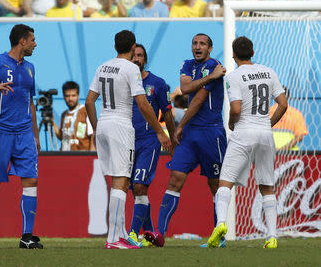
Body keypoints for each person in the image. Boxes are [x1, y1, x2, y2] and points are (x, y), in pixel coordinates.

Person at [85, 30, 172, 249]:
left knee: (118, 180)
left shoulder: (103, 66)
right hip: (121, 126)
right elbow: (143, 104)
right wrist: (160, 131)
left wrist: (96, 129)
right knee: (122, 182)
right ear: (133, 47)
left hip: (104, 124)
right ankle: (114, 238)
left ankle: (121, 233)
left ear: (115, 46)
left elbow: (89, 102)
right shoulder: (131, 68)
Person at [143, 33, 227, 247]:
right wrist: (210, 77)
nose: (197, 47)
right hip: (190, 134)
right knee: (175, 179)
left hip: (211, 132)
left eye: (202, 44)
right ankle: (159, 234)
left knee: (215, 185)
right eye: (195, 43)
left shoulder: (214, 63)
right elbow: (187, 88)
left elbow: (198, 99)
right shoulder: (188, 65)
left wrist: (180, 126)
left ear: (210, 48)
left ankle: (219, 237)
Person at [206, 36, 288, 249]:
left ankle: (221, 224)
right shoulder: (269, 71)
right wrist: (269, 123)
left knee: (225, 183)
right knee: (267, 186)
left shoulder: (234, 76)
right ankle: (271, 237)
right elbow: (283, 104)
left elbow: (235, 109)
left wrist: (233, 124)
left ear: (233, 54)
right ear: (253, 53)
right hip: (264, 133)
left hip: (244, 132)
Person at [0, 24, 42, 250]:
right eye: (33, 39)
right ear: (22, 41)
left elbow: (30, 102)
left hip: (24, 133)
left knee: (31, 180)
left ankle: (27, 236)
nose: (36, 43)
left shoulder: (31, 68)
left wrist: (35, 135)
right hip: (1, 132)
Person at [124, 44, 177, 248]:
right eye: (133, 56)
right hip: (127, 141)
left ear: (144, 59)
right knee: (135, 190)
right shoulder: (124, 82)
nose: (136, 59)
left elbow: (168, 113)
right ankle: (150, 235)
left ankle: (133, 234)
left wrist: (171, 138)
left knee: (140, 185)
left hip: (148, 142)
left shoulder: (157, 83)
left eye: (140, 56)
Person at [53, 81, 95, 151]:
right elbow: (62, 137)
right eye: (67, 96)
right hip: (66, 156)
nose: (70, 99)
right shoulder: (64, 114)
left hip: (83, 156)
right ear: (63, 96)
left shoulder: (85, 111)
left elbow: (93, 135)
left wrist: (91, 157)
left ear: (78, 96)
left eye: (73, 95)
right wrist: (51, 121)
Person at [269, 86, 307, 151]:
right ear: (288, 97)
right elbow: (300, 137)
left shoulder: (267, 113)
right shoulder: (296, 114)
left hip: (270, 153)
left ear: (274, 97)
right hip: (290, 155)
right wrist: (283, 150)